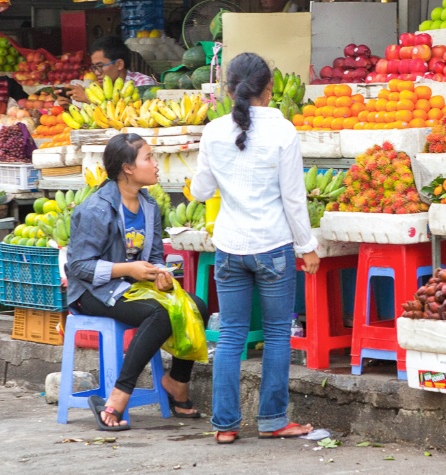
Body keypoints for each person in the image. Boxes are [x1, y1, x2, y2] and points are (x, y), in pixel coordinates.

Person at [190, 52, 319, 444]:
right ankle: (273, 420)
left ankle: (225, 425)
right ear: (270, 89)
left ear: (229, 89)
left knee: (230, 336)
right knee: (278, 335)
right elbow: (294, 199)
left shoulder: (213, 131)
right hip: (273, 246)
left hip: (229, 247)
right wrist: (308, 246)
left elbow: (200, 191)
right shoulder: (284, 132)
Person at [66, 133, 210, 431]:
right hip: (92, 292)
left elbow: (156, 255)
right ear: (128, 168)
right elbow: (78, 266)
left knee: (195, 305)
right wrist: (127, 269)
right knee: (158, 314)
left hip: (130, 288)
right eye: (148, 157)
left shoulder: (148, 207)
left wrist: (161, 276)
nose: (155, 164)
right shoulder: (97, 209)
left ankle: (177, 383)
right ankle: (119, 395)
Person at [64, 36, 157, 105]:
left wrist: (89, 100)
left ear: (119, 64)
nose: (96, 73)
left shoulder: (143, 83)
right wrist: (68, 107)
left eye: (100, 66)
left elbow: (133, 115)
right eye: (94, 67)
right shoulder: (97, 89)